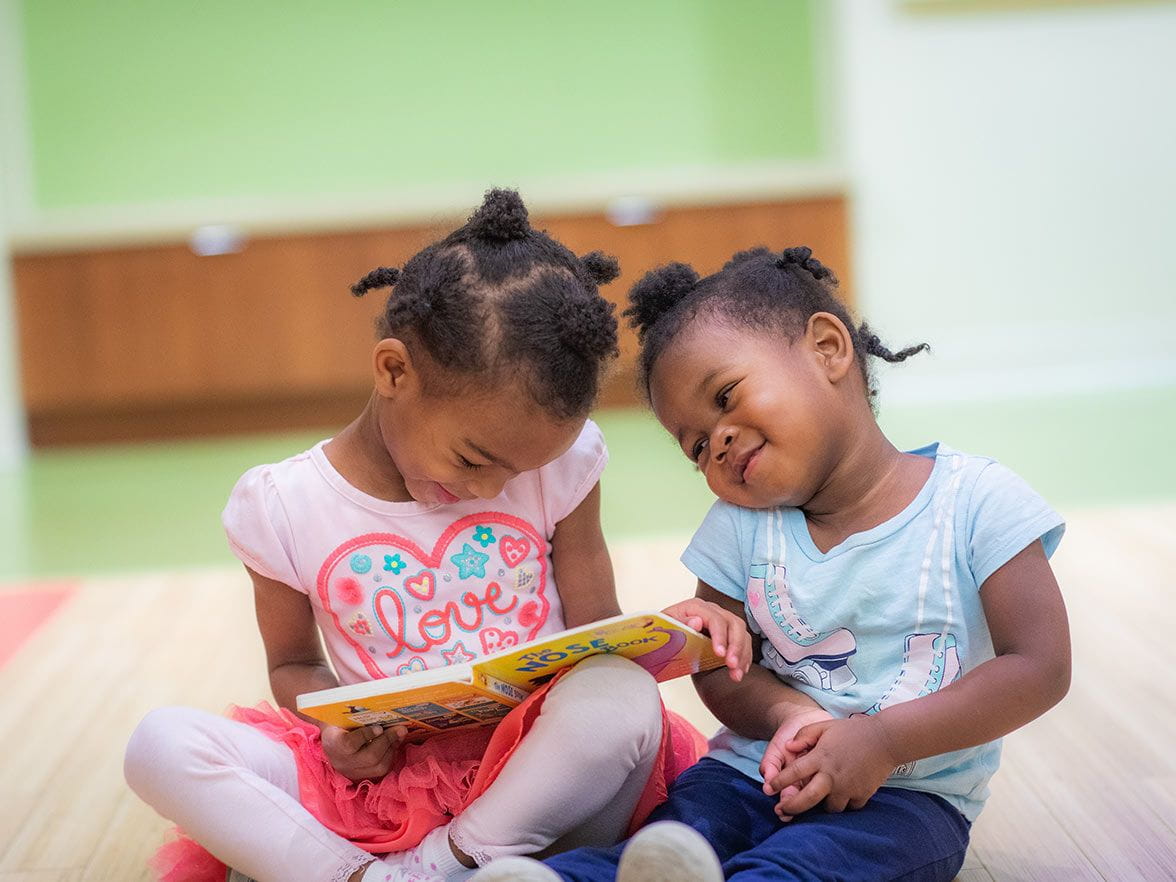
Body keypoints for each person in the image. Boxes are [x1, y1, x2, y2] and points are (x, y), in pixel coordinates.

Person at [123, 190, 750, 882]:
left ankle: (431, 869)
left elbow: (595, 632)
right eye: (474, 460)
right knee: (161, 745)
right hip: (379, 791)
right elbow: (293, 665)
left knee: (621, 696)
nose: (489, 488)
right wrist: (339, 730)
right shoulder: (283, 506)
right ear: (394, 371)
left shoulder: (563, 469)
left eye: (518, 472)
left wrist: (660, 633)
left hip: (543, 783)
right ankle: (366, 874)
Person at [472, 246, 1071, 882]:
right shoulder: (740, 525)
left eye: (726, 395)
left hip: (904, 800)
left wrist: (882, 741)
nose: (719, 441)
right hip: (745, 775)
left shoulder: (976, 502)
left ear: (828, 349)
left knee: (800, 868)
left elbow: (1039, 667)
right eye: (696, 447)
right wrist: (780, 707)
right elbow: (722, 673)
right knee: (668, 845)